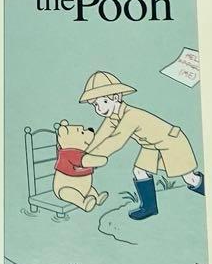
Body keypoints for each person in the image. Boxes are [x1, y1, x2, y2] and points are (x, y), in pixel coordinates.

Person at [80, 70, 204, 220]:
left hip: (171, 141)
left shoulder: (130, 116)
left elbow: (115, 141)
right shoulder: (113, 117)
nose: (99, 108)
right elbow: (100, 136)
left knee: (190, 179)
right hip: (151, 145)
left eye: (104, 102)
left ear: (117, 97)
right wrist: (84, 153)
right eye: (95, 104)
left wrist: (87, 159)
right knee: (139, 171)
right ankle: (149, 208)